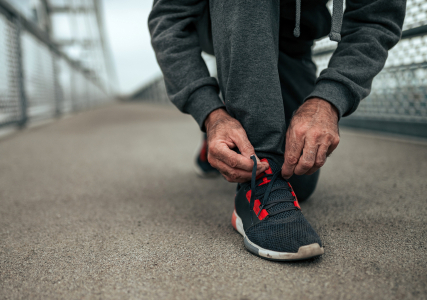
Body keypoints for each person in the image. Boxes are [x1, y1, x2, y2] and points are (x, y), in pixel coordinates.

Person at [148, 0, 405, 261]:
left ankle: (232, 120)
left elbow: (375, 17)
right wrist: (209, 113)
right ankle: (254, 174)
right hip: (228, 18)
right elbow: (169, 20)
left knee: (297, 177)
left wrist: (328, 99)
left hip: (293, 39)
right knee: (274, 176)